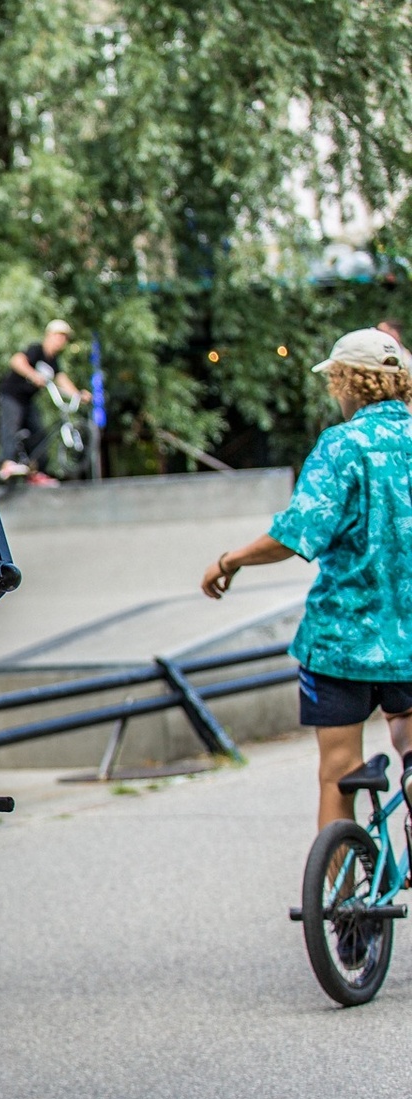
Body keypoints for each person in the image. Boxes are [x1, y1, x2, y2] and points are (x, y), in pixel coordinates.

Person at [202, 327, 412, 831]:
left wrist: (229, 561)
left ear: (348, 382)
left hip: (342, 643)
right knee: (409, 747)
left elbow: (298, 534)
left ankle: (339, 897)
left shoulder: (342, 446)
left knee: (337, 774)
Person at [0, 319, 81, 485]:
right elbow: (16, 361)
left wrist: (78, 394)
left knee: (39, 433)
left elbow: (62, 380)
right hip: (12, 396)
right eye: (59, 336)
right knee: (11, 427)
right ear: (49, 335)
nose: (61, 341)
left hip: (27, 400)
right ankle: (6, 463)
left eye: (64, 338)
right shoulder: (37, 350)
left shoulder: (53, 361)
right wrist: (32, 374)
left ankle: (36, 472)